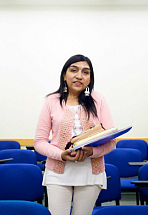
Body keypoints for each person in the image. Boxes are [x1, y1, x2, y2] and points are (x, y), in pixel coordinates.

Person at [33, 54, 116, 215]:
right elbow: (39, 142)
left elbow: (111, 141)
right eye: (74, 70)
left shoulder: (98, 99)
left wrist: (92, 152)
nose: (79, 75)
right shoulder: (52, 101)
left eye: (86, 72)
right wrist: (61, 155)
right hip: (58, 173)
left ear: (90, 78)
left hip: (91, 173)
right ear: (64, 75)